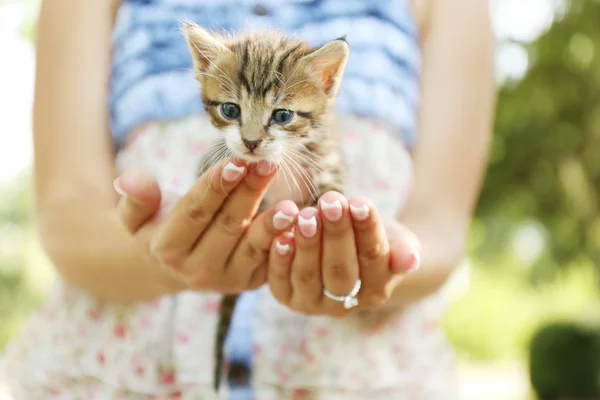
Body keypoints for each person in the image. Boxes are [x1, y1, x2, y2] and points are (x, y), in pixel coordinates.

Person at [0, 0, 495, 398]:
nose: (254, 137)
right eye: (234, 111)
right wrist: (157, 254)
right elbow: (65, 210)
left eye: (280, 118)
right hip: (122, 369)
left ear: (327, 80)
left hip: (355, 376)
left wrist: (380, 261)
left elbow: (440, 232)